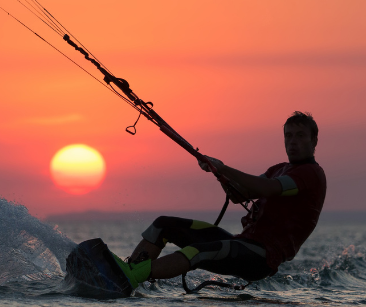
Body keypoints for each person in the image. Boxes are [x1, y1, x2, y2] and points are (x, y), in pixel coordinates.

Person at [109, 111, 327, 289]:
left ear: (314, 140)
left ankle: (130, 277)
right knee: (163, 225)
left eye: (300, 136)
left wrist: (224, 168)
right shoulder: (279, 169)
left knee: (197, 251)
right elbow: (238, 195)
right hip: (243, 243)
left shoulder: (310, 174)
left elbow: (266, 188)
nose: (292, 142)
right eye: (288, 135)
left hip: (261, 258)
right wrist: (218, 173)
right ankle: (130, 275)